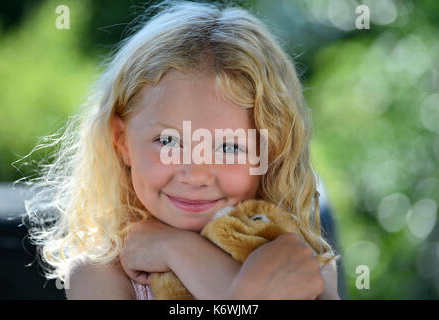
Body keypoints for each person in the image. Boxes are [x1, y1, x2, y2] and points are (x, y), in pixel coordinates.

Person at [22, 0, 340, 300]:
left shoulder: (302, 260)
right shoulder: (101, 275)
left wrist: (180, 250)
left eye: (229, 147)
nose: (197, 174)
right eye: (169, 141)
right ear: (121, 140)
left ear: (270, 151)